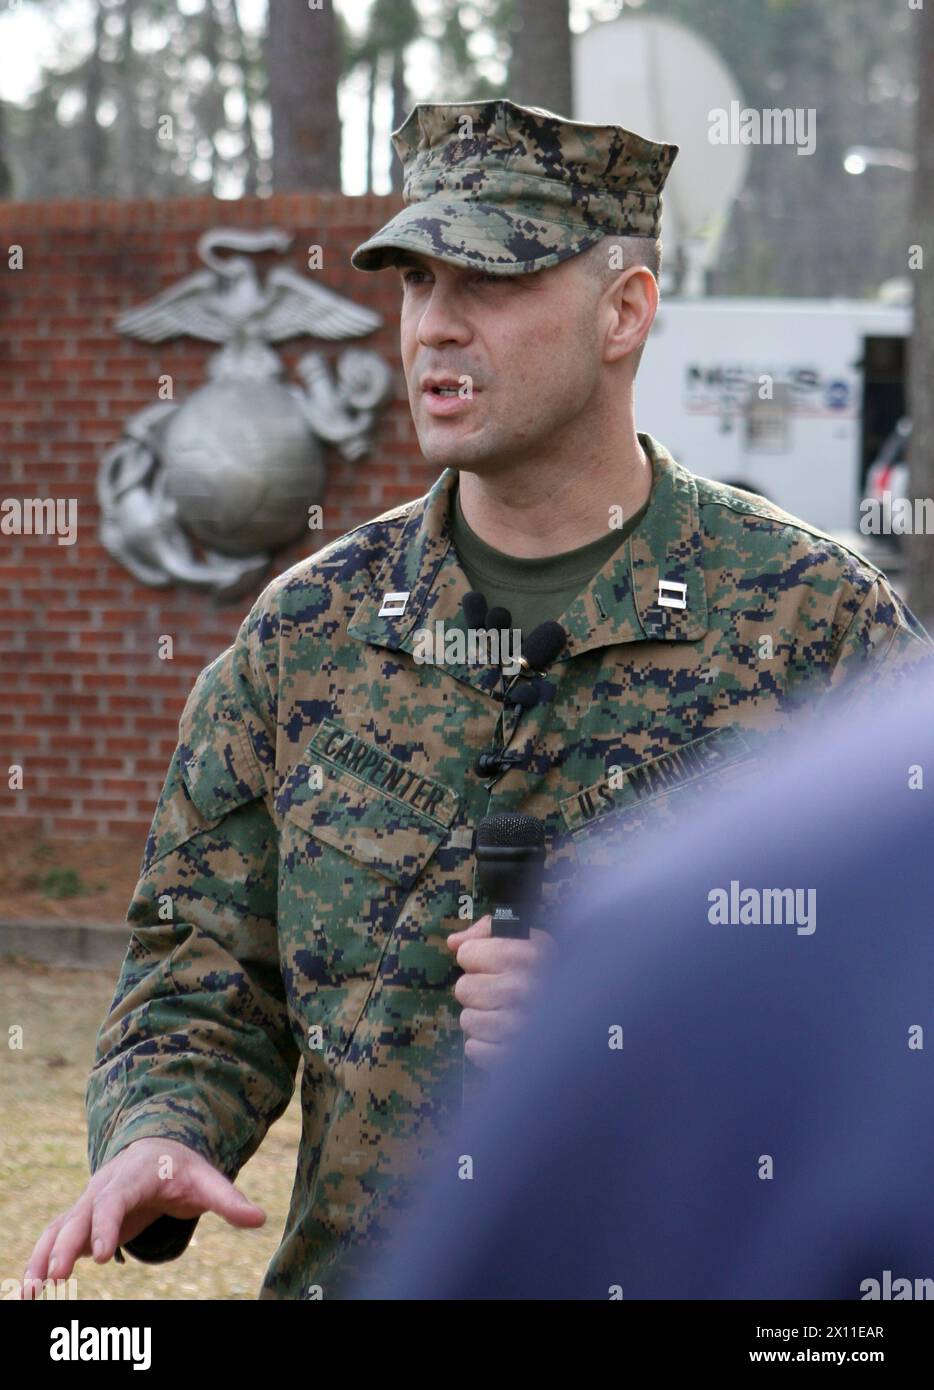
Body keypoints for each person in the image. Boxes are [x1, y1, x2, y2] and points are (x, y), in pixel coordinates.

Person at [23, 98, 934, 1301]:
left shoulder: (815, 624)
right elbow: (201, 964)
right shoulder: (309, 633)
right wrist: (160, 1124)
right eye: (413, 283)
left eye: (489, 283)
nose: (434, 329)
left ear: (625, 310)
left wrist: (636, 1007)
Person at [358, 663, 934, 1300]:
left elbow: (885, 1000)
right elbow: (227, 967)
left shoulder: (834, 617)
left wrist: (603, 1021)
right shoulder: (309, 619)